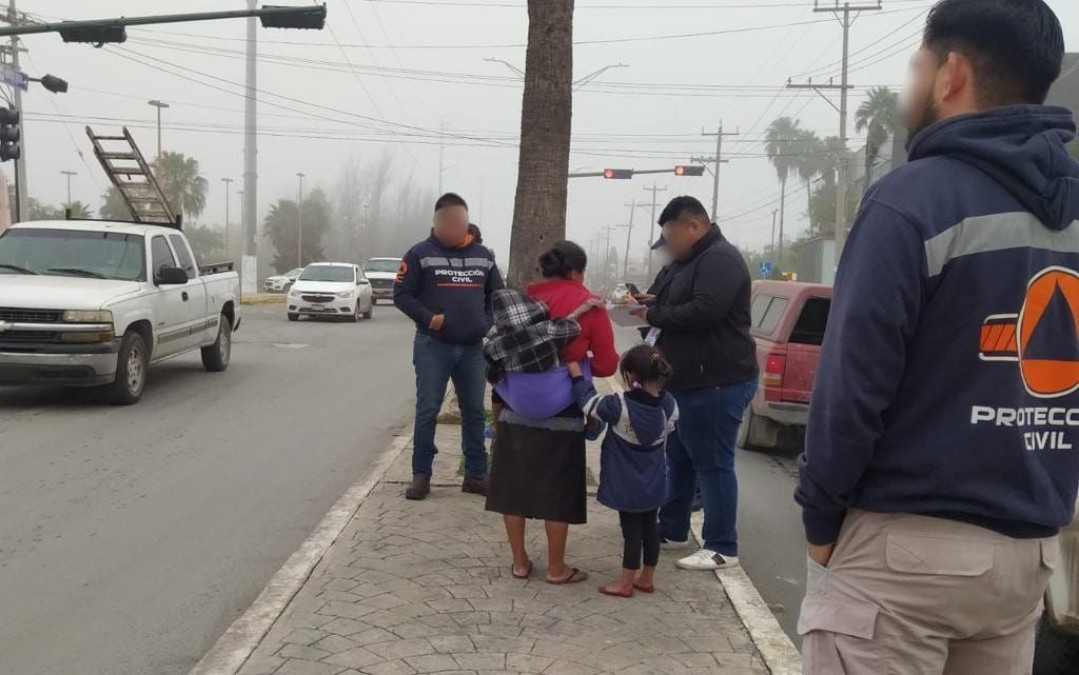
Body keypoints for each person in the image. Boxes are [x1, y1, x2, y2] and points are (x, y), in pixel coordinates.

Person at [795, 1, 1079, 672]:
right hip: (1026, 555)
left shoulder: (911, 200)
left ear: (950, 73)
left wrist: (819, 519)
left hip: (904, 554)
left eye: (917, 67)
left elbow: (849, 389)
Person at [636, 196, 757, 571]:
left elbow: (706, 310)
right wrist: (648, 303)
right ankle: (673, 529)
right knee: (680, 459)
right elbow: (674, 300)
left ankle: (722, 546)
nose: (668, 244)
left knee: (713, 464)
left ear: (693, 226)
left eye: (671, 235)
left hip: (717, 381)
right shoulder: (687, 262)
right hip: (685, 380)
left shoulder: (719, 259)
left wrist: (654, 314)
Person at [485, 241, 619, 584]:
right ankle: (557, 568)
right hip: (564, 409)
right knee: (558, 489)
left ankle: (519, 562)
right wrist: (578, 365)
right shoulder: (589, 305)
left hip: (514, 406)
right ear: (575, 272)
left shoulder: (520, 303)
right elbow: (607, 365)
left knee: (512, 489)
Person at [394, 193, 504, 501]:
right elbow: (401, 294)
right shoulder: (419, 254)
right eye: (451, 221)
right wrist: (429, 319)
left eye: (462, 221)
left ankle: (476, 475)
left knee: (474, 412)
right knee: (428, 410)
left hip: (472, 349)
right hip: (433, 345)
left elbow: (497, 295)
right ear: (438, 222)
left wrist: (486, 322)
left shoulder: (483, 256)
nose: (457, 227)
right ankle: (421, 475)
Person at [570, 346, 678, 598]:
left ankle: (626, 583)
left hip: (625, 484)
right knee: (651, 527)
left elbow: (588, 403)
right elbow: (667, 431)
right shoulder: (670, 406)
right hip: (655, 481)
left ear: (630, 375)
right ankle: (647, 577)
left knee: (631, 532)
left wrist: (577, 375)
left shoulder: (617, 405)